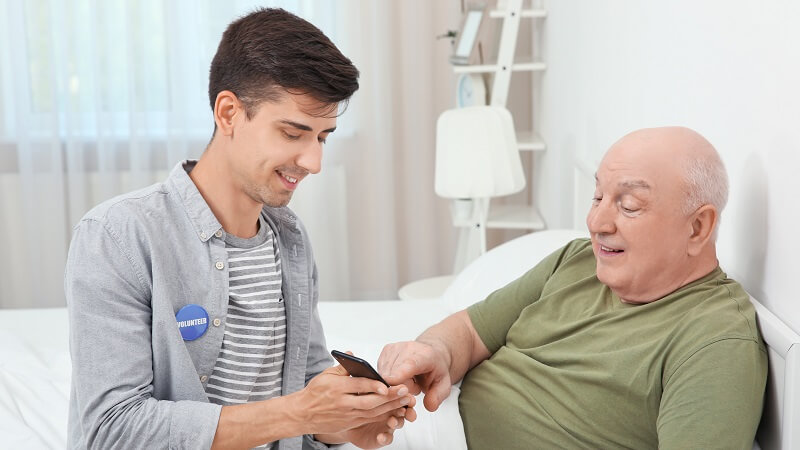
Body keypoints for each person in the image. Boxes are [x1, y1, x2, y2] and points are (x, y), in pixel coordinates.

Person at [65, 8, 415, 450]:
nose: (314, 163)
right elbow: (112, 430)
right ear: (229, 113)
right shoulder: (116, 237)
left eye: (323, 138)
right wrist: (299, 412)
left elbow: (305, 384)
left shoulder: (290, 239)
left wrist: (341, 424)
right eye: (293, 133)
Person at [378, 126, 767, 449]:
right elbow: (468, 330)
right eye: (598, 196)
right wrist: (435, 353)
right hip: (426, 422)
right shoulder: (578, 260)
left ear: (697, 227)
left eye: (628, 205)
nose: (597, 221)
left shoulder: (715, 340)